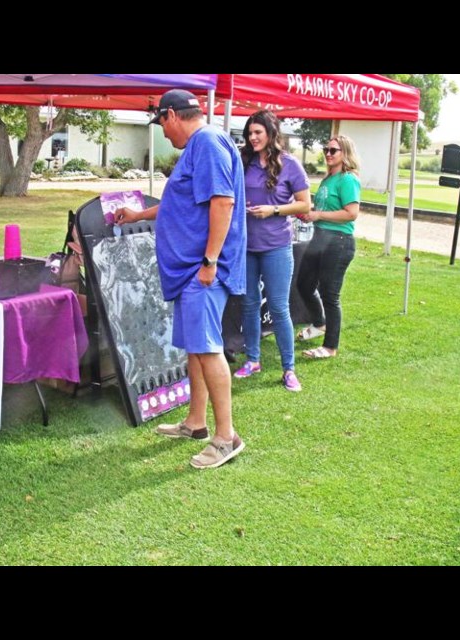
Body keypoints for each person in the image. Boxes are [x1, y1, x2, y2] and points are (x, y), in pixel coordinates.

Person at [115, 89, 247, 469]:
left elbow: (223, 202)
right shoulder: (198, 147)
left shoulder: (206, 142)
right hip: (191, 269)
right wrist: (139, 215)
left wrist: (209, 261)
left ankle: (227, 438)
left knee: (207, 348)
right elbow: (181, 203)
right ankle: (196, 422)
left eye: (161, 123)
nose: (163, 133)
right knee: (195, 346)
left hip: (201, 270)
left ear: (171, 115)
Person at [234, 110, 311, 391]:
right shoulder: (244, 162)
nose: (252, 138)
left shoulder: (290, 164)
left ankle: (288, 369)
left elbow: (305, 205)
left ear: (271, 133)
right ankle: (253, 360)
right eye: (249, 133)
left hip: (276, 246)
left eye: (258, 132)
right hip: (247, 247)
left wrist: (274, 210)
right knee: (250, 304)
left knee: (279, 308)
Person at [294, 135, 361, 359]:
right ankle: (319, 323)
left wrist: (319, 214)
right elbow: (321, 210)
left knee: (330, 295)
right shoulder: (328, 179)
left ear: (345, 154)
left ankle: (330, 346)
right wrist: (309, 214)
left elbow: (351, 213)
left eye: (334, 150)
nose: (328, 154)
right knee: (304, 283)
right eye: (326, 149)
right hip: (320, 238)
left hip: (339, 242)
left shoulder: (347, 179)